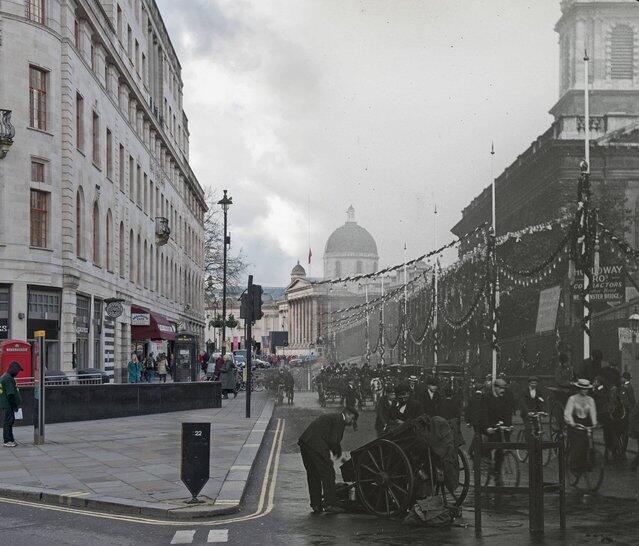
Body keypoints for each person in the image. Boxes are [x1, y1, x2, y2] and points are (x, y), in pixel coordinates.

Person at [298, 406, 358, 514]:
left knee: (313, 474)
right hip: (317, 446)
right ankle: (330, 504)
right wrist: (338, 453)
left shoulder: (333, 417)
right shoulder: (340, 420)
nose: (352, 422)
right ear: (347, 414)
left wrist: (336, 452)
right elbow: (334, 441)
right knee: (328, 473)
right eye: (352, 419)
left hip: (305, 443)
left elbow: (331, 439)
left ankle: (316, 504)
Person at [479, 378, 514, 483]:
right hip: (489, 427)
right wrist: (487, 427)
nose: (503, 390)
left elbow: (508, 413)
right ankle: (485, 461)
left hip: (500, 428)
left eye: (504, 388)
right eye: (501, 388)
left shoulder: (505, 399)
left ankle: (497, 472)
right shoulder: (486, 398)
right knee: (489, 445)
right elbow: (484, 413)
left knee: (501, 449)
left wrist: (510, 425)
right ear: (495, 388)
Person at [564, 378, 598, 473]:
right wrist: (572, 423)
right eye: (583, 389)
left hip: (586, 424)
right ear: (579, 389)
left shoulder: (590, 400)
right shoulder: (572, 399)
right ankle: (575, 465)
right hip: (575, 425)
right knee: (578, 444)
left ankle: (588, 463)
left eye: (586, 389)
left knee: (589, 442)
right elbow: (568, 413)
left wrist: (594, 422)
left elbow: (593, 412)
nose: (585, 391)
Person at [0, 361, 23, 447]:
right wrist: (14, 406)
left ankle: (11, 440)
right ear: (13, 369)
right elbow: (10, 394)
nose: (17, 373)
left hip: (6, 404)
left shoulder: (5, 376)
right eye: (17, 371)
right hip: (8, 405)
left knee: (9, 422)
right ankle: (7, 441)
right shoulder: (8, 378)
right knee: (8, 422)